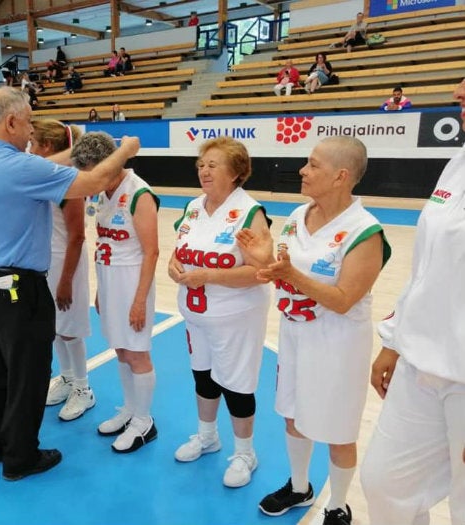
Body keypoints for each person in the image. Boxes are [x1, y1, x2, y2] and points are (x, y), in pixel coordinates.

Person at [0, 87, 140, 479]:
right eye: (26, 121)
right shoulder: (20, 167)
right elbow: (92, 182)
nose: (30, 131)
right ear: (10, 121)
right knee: (28, 374)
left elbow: (48, 166)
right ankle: (20, 456)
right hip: (15, 287)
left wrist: (75, 152)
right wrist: (125, 150)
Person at [236, 136, 390, 525]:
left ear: (341, 176)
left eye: (313, 164)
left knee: (338, 432)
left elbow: (343, 300)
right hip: (294, 336)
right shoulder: (296, 217)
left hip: (338, 344)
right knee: (292, 416)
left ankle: (338, 505)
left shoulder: (365, 232)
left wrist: (290, 274)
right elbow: (285, 276)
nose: (303, 170)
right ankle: (300, 486)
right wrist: (265, 262)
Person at [360, 77, 465, 525]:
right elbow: (428, 266)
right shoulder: (458, 161)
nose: (459, 90)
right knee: (385, 485)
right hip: (420, 363)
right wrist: (394, 338)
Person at [168, 137, 271, 487]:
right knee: (204, 377)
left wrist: (209, 275)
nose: (204, 171)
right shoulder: (193, 207)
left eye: (213, 165)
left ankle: (245, 453)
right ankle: (207, 435)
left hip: (236, 316)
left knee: (237, 385)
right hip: (197, 314)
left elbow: (261, 271)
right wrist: (174, 266)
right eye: (201, 165)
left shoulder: (249, 212)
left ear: (237, 172)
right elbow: (179, 252)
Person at [71, 131, 159, 453]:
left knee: (137, 352)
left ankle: (144, 421)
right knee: (121, 350)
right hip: (111, 281)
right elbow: (104, 243)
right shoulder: (102, 193)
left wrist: (139, 301)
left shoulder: (139, 193)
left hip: (133, 282)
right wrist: (100, 289)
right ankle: (130, 410)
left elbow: (152, 252)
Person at [30, 120, 95, 422]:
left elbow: (77, 236)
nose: (29, 147)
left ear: (47, 147)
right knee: (54, 326)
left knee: (70, 329)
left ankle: (83, 387)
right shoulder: (41, 178)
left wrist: (66, 280)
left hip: (66, 262)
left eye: (34, 143)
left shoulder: (70, 183)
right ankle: (67, 377)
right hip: (46, 261)